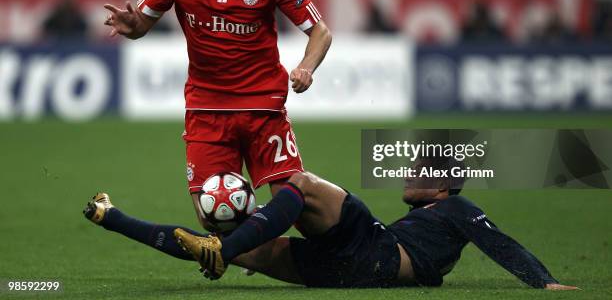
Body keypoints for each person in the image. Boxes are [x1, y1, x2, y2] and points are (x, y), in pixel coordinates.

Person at [101, 0, 332, 230]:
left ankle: (297, 231)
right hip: (206, 106)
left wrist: (306, 67)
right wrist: (130, 25)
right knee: (213, 218)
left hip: (262, 105)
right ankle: (259, 228)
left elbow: (320, 32)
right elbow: (141, 25)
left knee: (293, 204)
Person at [83, 158, 577, 290]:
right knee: (240, 247)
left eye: (423, 173)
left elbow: (497, 240)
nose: (410, 175)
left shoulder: (458, 210)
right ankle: (112, 217)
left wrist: (544, 280)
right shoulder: (428, 217)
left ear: (446, 187)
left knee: (300, 182)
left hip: (378, 251)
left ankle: (223, 250)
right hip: (352, 270)